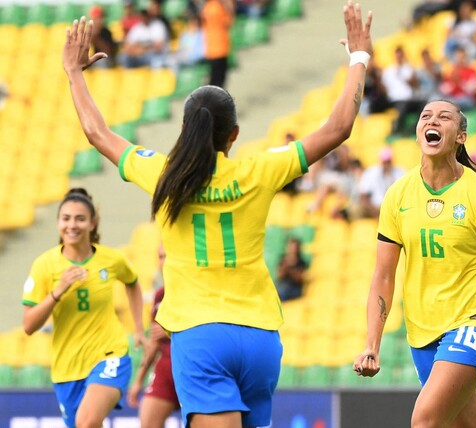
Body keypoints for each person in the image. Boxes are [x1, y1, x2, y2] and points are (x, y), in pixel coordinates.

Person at [62, 3, 372, 427]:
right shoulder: (260, 169)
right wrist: (359, 57)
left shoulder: (163, 174)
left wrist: (74, 73)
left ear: (184, 130)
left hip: (201, 334)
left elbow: (98, 134)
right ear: (235, 135)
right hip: (261, 338)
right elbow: (338, 128)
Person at [353, 99, 476, 427]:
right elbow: (383, 275)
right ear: (417, 133)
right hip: (424, 332)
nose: (431, 120)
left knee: (424, 421)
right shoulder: (398, 196)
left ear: (460, 137)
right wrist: (372, 343)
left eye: (443, 117)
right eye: (425, 116)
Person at [21, 188, 146, 428]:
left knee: (87, 422)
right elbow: (29, 325)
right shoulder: (45, 265)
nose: (72, 225)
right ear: (58, 222)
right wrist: (58, 291)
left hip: (110, 356)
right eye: (66, 218)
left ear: (93, 223)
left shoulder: (111, 259)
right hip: (67, 369)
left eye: (80, 218)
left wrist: (139, 329)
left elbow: (133, 283)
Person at [127, 244, 180, 428]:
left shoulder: (198, 294)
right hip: (166, 370)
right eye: (160, 257)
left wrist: (172, 331)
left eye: (168, 256)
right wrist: (139, 380)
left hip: (194, 368)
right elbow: (154, 343)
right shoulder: (159, 296)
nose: (163, 262)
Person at [357, 147, 404, 219]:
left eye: (388, 161)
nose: (386, 165)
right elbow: (364, 196)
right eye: (385, 162)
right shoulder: (371, 172)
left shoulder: (400, 172)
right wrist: (374, 211)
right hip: (375, 207)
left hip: (396, 208)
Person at [201, 0, 235, 88]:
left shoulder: (208, 6)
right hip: (219, 47)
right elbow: (229, 22)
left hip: (212, 47)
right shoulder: (217, 7)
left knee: (214, 80)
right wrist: (229, 6)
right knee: (218, 82)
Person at [439, 46, 476, 110]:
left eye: (462, 57)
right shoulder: (452, 71)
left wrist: (460, 82)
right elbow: (443, 90)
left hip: (468, 99)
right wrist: (452, 83)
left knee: (452, 103)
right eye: (458, 57)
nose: (460, 60)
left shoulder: (472, 71)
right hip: (453, 98)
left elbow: (472, 91)